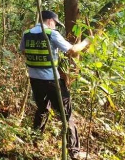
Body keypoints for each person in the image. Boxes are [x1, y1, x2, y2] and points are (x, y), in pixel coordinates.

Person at [20, 10, 91, 160]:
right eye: (55, 23)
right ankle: (75, 152)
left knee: (42, 108)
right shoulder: (52, 34)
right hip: (51, 80)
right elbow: (72, 50)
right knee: (67, 114)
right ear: (51, 21)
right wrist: (86, 42)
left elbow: (24, 51)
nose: (55, 26)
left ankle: (34, 141)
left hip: (34, 79)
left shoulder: (26, 33)